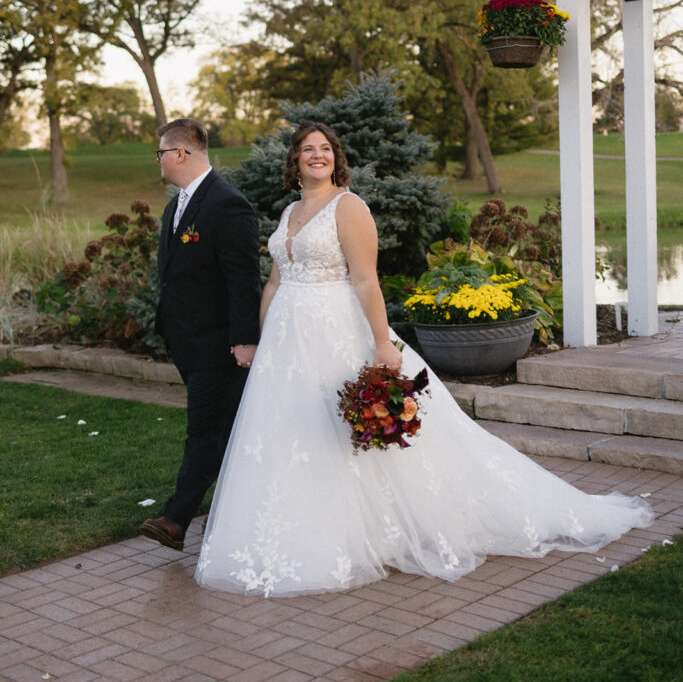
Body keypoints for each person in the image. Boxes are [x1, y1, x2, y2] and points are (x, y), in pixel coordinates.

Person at [195, 121, 653, 597]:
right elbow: (274, 281)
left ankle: (383, 529)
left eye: (325, 149)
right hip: (287, 346)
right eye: (307, 149)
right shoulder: (290, 209)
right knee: (298, 433)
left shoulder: (348, 207)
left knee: (348, 432)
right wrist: (264, 340)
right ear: (294, 161)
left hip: (335, 333)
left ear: (336, 158)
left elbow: (365, 281)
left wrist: (381, 344)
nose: (317, 155)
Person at [140, 118, 261, 552]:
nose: (159, 161)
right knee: (225, 433)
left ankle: (175, 519)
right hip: (187, 343)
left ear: (180, 154)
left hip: (219, 345)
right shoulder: (177, 207)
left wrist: (245, 339)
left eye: (160, 153)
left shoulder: (227, 205)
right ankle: (250, 511)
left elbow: (244, 279)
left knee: (204, 431)